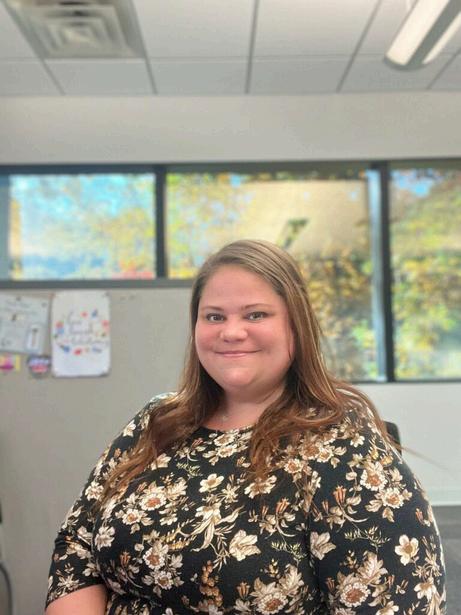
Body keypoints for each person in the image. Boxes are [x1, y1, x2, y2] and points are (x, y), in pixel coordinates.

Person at [45, 239, 446, 614]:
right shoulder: (158, 421)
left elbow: (393, 602)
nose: (232, 332)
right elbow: (76, 546)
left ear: (296, 326)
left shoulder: (345, 446)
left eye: (256, 314)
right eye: (214, 316)